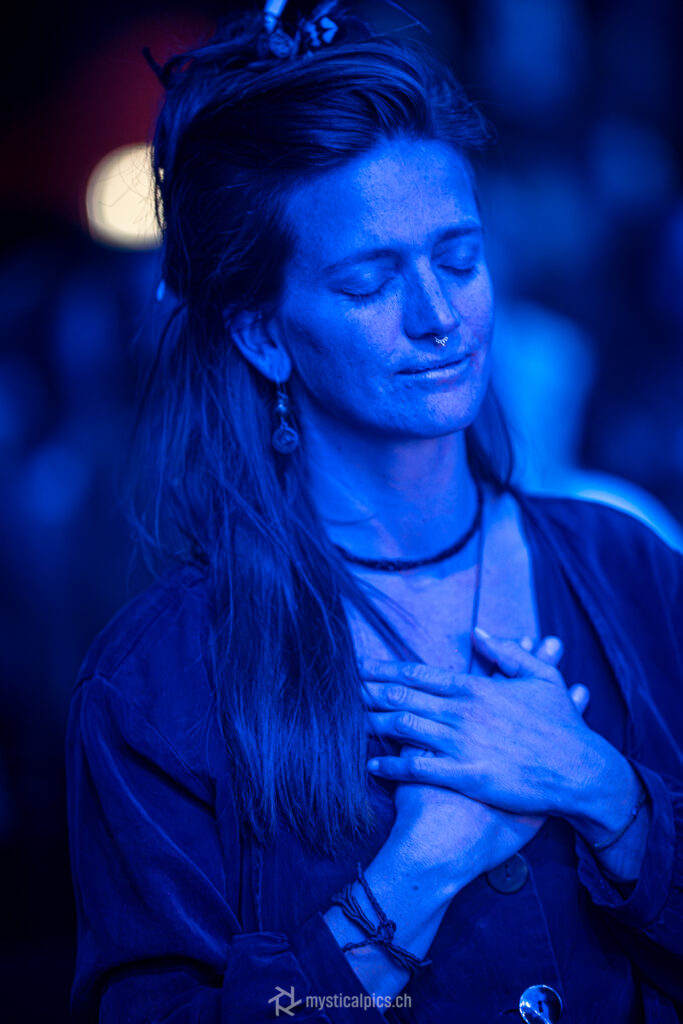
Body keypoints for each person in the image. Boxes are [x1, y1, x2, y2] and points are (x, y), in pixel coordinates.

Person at [65, 3, 683, 1022]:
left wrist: (607, 795)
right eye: (368, 282)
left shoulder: (628, 568)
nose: (438, 317)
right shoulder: (159, 679)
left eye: (459, 259)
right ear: (264, 336)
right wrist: (414, 873)